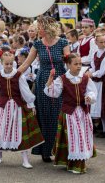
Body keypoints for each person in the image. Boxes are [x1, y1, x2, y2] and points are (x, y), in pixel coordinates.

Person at [19, 16, 70, 162]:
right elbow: (26, 64)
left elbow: (69, 62)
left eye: (38, 27)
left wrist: (74, 78)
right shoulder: (37, 44)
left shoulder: (63, 42)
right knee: (45, 115)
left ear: (47, 27)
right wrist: (12, 75)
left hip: (59, 81)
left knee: (58, 114)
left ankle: (60, 149)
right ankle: (46, 150)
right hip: (42, 82)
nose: (36, 30)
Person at [45, 53, 97, 174]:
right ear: (68, 65)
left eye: (80, 64)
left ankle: (80, 160)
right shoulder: (62, 79)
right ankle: (75, 163)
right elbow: (53, 93)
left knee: (82, 137)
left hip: (83, 113)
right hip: (70, 114)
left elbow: (92, 92)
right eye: (75, 64)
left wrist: (89, 97)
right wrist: (49, 80)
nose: (79, 66)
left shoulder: (85, 78)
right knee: (75, 138)